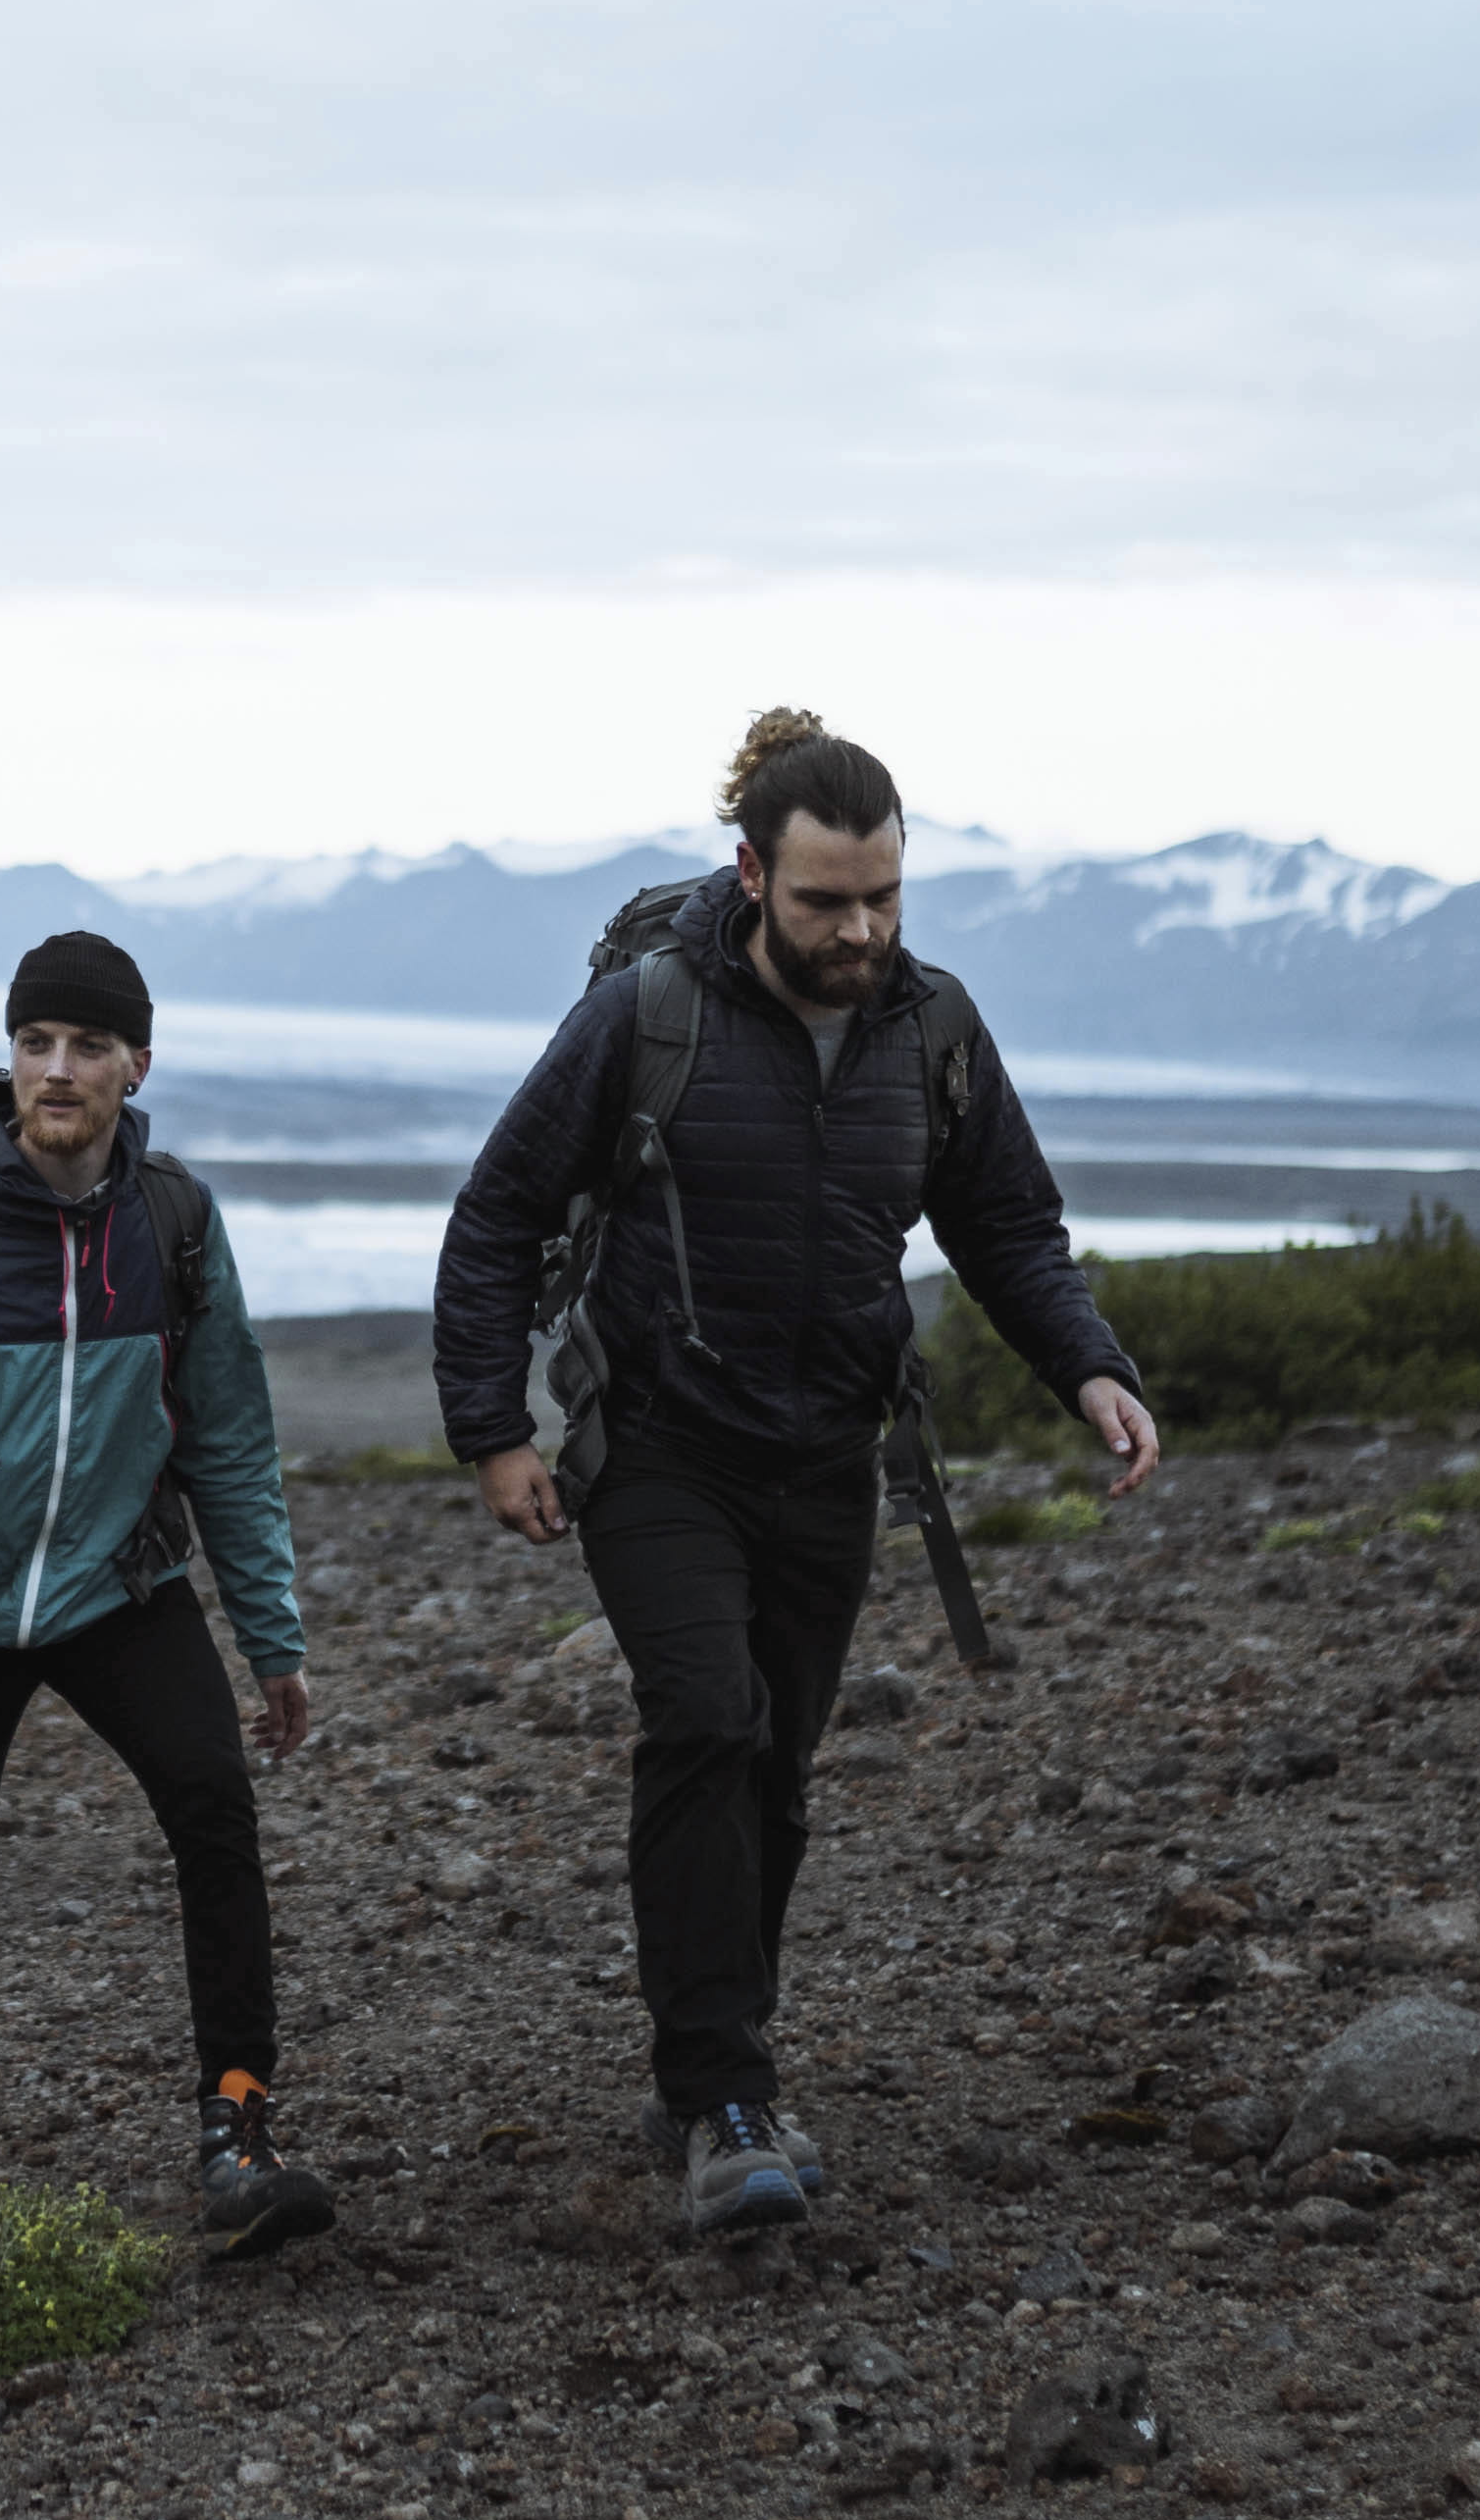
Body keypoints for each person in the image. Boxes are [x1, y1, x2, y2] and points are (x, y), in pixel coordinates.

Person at [430, 710, 1159, 2240]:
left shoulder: (934, 1031)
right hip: (662, 1447)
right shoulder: (649, 1017)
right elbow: (499, 1214)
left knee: (775, 1769)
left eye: (885, 896)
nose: (861, 930)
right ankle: (723, 2097)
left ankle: (708, 2067)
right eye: (828, 900)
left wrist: (1091, 1367)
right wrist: (494, 1432)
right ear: (753, 874)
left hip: (832, 1458)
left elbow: (1011, 1228)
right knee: (705, 1721)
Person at [0, 927, 333, 2253]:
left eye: (87, 1046)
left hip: (116, 1587)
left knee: (215, 1807)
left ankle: (239, 2131)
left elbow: (227, 1442)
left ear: (134, 1064)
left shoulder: (178, 1225)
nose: (57, 1068)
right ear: (12, 1054)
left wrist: (272, 1638)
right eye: (36, 1042)